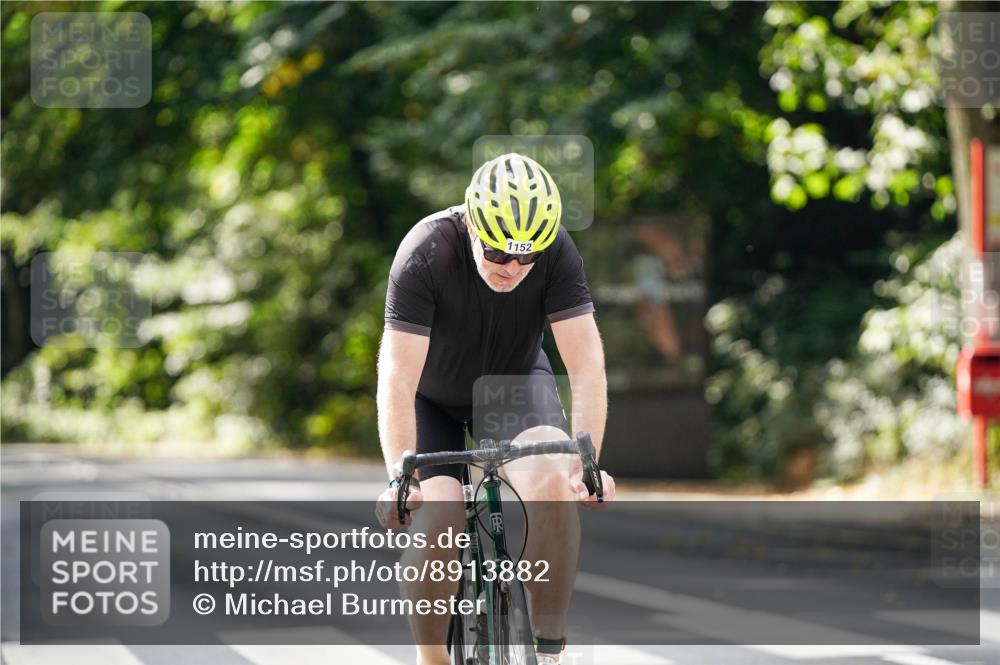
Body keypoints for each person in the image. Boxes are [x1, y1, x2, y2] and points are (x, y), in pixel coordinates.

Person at [375, 153, 616, 665]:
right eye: (499, 254)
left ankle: (548, 646)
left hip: (511, 385)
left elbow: (587, 362)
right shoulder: (427, 251)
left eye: (526, 259)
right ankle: (432, 656)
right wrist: (401, 475)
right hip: (430, 397)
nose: (513, 268)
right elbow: (397, 375)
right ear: (471, 224)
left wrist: (587, 462)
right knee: (437, 514)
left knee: (552, 479)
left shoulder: (556, 253)